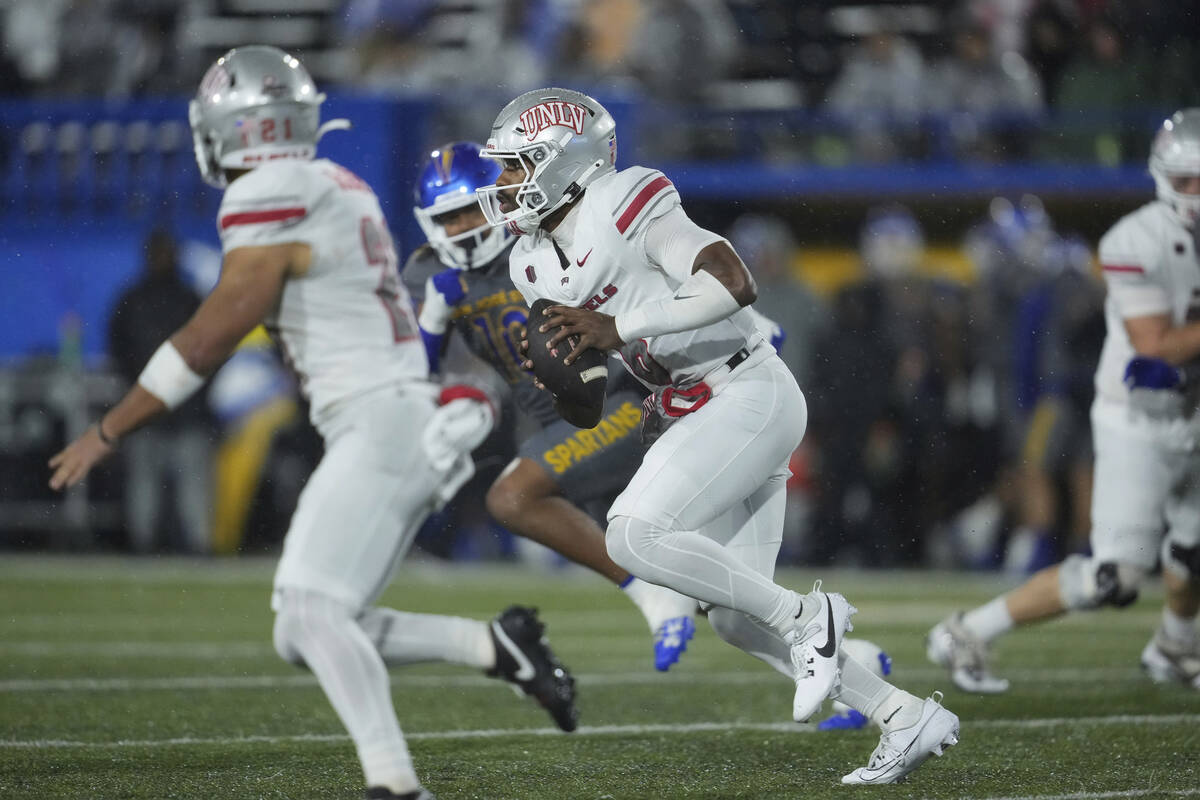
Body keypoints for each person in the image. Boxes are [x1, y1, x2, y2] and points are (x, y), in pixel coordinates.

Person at [48, 46, 578, 800]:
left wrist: (109, 428)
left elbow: (213, 333)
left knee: (311, 611)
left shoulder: (269, 190)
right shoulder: (335, 182)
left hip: (384, 421)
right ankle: (495, 646)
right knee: (305, 629)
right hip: (392, 419)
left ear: (237, 130)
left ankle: (395, 784)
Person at [475, 86, 960, 784]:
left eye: (516, 165)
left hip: (750, 390)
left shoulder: (623, 198)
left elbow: (734, 280)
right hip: (697, 404)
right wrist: (560, 381)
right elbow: (584, 402)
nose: (503, 183)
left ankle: (810, 616)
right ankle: (905, 715)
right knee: (734, 618)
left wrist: (619, 331)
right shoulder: (529, 263)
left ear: (563, 162)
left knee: (631, 535)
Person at [927, 109, 1200, 694]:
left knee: (1193, 555)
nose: (1197, 194)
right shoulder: (1135, 241)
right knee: (1115, 577)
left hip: (1191, 410)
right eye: (1186, 181)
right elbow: (1158, 346)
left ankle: (1175, 648)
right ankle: (968, 630)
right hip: (1139, 418)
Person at [405, 141, 699, 670]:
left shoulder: (540, 244)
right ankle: (847, 663)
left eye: (472, 208)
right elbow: (408, 378)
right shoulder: (430, 275)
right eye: (449, 218)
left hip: (619, 404)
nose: (464, 228)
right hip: (550, 425)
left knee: (514, 498)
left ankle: (652, 598)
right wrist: (431, 318)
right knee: (713, 592)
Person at [107, 228, 215, 554]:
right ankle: (145, 546)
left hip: (181, 409)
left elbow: (213, 351)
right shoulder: (135, 299)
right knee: (145, 487)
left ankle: (197, 548)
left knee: (190, 489)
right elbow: (119, 351)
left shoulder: (187, 297)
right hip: (153, 409)